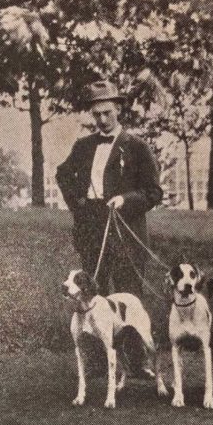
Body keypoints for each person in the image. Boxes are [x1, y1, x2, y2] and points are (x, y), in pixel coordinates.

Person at [56, 80, 163, 296]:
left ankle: (129, 331)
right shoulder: (83, 146)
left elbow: (153, 192)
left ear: (119, 109)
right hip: (90, 229)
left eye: (107, 113)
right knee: (94, 297)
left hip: (126, 230)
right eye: (96, 115)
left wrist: (125, 199)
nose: (102, 120)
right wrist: (78, 202)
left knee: (128, 296)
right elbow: (63, 174)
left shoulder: (137, 147)